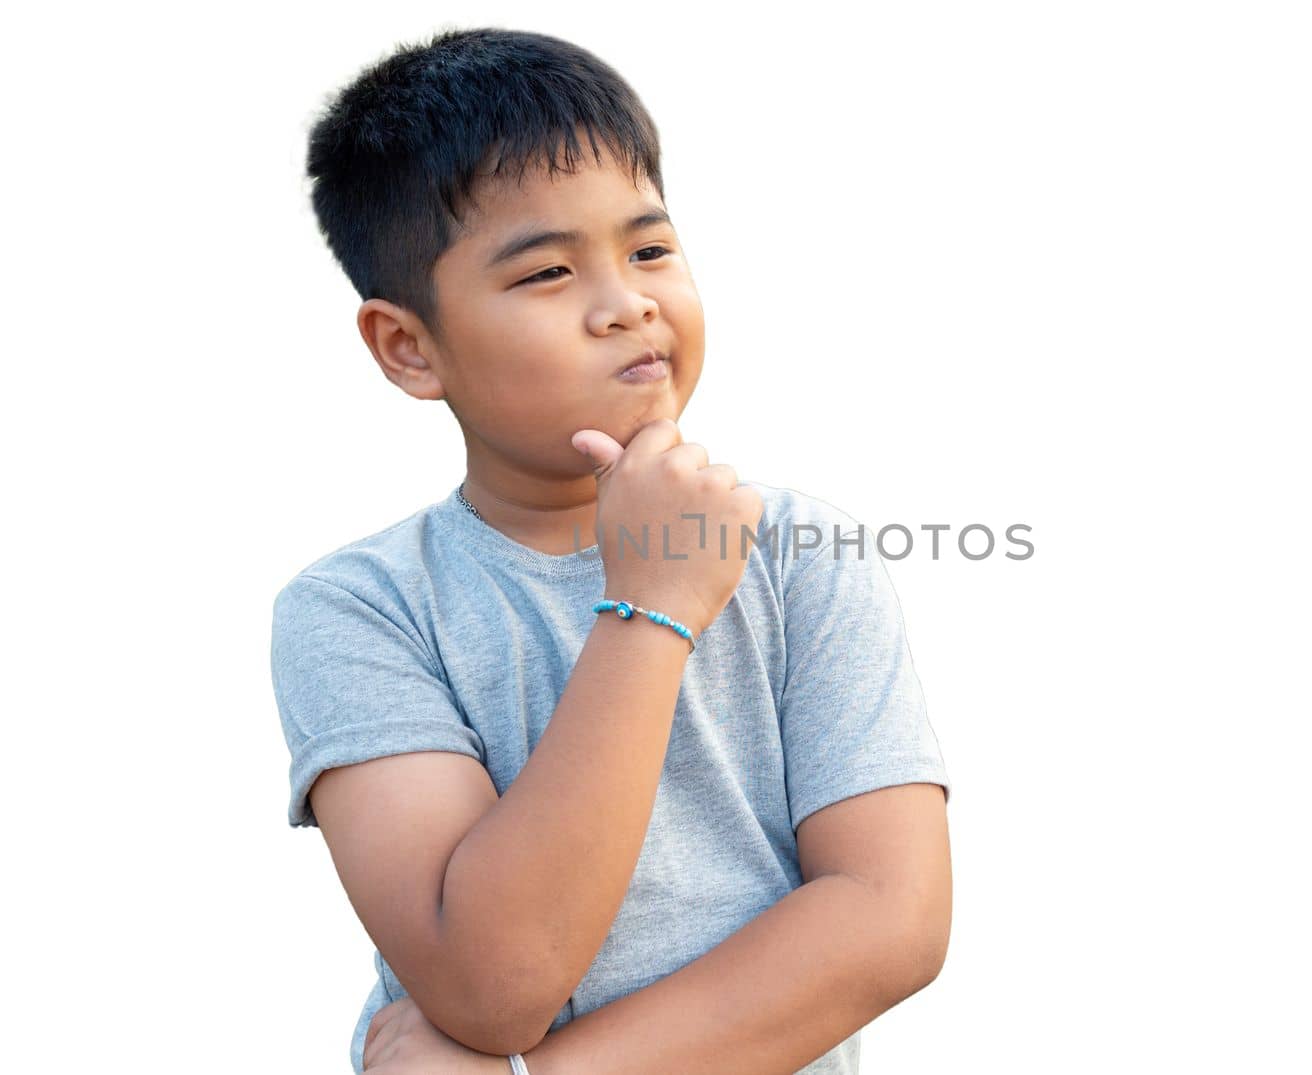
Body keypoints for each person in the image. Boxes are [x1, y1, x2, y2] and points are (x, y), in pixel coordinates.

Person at [269, 26, 953, 1075]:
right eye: (546, 270)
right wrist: (655, 604)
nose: (627, 302)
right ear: (409, 346)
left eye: (649, 249)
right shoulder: (362, 608)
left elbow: (889, 918)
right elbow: (494, 978)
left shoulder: (800, 553)